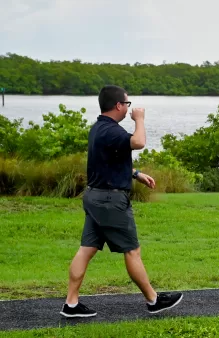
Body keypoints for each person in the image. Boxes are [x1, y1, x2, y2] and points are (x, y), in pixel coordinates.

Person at [59, 85, 183, 318]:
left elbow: (110, 161)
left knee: (86, 249)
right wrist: (140, 119)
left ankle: (71, 304)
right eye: (126, 104)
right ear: (118, 105)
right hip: (110, 200)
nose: (128, 108)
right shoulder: (112, 130)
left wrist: (136, 174)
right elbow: (138, 142)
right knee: (132, 250)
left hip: (95, 197)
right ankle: (153, 300)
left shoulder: (99, 128)